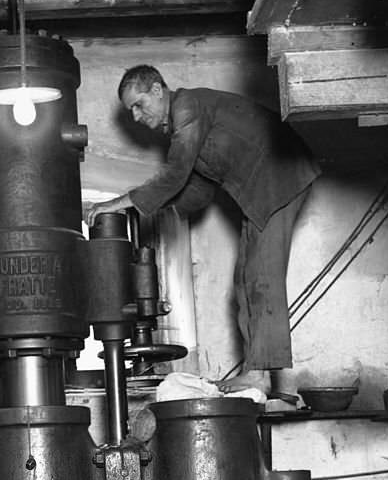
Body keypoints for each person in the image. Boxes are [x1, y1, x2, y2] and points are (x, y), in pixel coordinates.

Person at [86, 65, 320, 393]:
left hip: (280, 177)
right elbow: (198, 191)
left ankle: (282, 388)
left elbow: (174, 175)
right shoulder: (185, 130)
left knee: (263, 279)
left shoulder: (187, 108)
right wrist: (157, 216)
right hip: (260, 192)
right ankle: (259, 375)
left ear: (157, 90)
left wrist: (118, 204)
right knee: (245, 282)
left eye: (139, 104)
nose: (137, 117)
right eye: (131, 111)